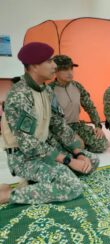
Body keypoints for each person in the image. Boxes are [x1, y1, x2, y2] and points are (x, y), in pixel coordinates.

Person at [0, 42, 99, 205]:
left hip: (45, 148)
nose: (54, 66)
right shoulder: (19, 95)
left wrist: (77, 153)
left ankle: (40, 180)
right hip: (24, 156)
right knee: (72, 187)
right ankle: (7, 195)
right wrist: (67, 160)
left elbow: (59, 125)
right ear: (33, 66)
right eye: (49, 61)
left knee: (91, 161)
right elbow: (29, 144)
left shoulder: (46, 90)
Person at [50, 55, 108, 153]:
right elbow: (51, 120)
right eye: (65, 69)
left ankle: (78, 147)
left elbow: (90, 107)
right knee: (71, 148)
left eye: (71, 68)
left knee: (102, 144)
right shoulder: (49, 90)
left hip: (76, 125)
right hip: (59, 129)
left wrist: (97, 126)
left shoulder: (77, 86)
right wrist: (69, 134)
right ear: (55, 71)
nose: (70, 72)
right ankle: (75, 147)